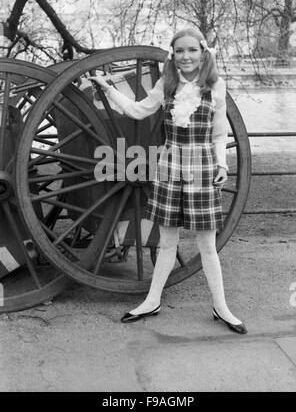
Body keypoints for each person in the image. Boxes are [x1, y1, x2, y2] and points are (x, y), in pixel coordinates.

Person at [89, 27, 247, 334]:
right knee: (167, 242)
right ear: (172, 55)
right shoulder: (167, 84)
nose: (185, 56)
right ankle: (152, 301)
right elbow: (137, 111)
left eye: (191, 50)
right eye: (179, 51)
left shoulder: (215, 86)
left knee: (207, 245)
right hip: (170, 166)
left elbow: (218, 133)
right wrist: (107, 88)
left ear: (203, 53)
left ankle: (221, 307)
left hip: (201, 166)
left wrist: (222, 165)